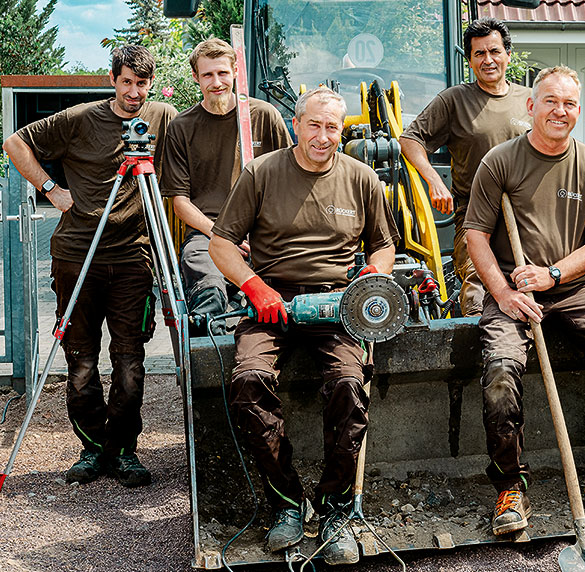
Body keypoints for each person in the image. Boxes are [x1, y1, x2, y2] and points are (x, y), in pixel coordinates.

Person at [208, 86, 398, 565]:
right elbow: (222, 245)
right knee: (248, 382)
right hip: (271, 302)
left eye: (332, 127)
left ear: (342, 130)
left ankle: (335, 509)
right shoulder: (262, 173)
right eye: (314, 124)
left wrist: (375, 273)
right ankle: (288, 503)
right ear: (297, 124)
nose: (323, 135)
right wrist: (256, 289)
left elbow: (383, 247)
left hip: (338, 304)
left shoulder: (362, 179)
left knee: (350, 385)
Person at [464, 66, 585, 536]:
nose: (559, 111)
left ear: (578, 111)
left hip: (575, 288)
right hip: (513, 293)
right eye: (550, 101)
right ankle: (510, 486)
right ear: (531, 106)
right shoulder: (500, 161)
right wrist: (503, 292)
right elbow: (475, 236)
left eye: (569, 103)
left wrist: (553, 274)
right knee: (501, 372)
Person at [2, 46, 177, 487]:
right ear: (112, 80)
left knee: (130, 359)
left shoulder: (163, 116)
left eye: (142, 83)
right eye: (126, 82)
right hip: (77, 254)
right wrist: (49, 188)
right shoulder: (80, 118)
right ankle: (91, 447)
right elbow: (14, 143)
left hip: (133, 257)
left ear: (150, 84)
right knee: (81, 357)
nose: (134, 92)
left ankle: (124, 450)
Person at [400, 17, 530, 317]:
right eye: (479, 54)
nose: (488, 60)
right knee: (477, 290)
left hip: (528, 218)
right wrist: (434, 179)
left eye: (495, 51)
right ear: (469, 61)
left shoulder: (530, 101)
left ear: (508, 55)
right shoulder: (455, 100)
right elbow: (410, 140)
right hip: (476, 218)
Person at [161, 38, 292, 335]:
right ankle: (208, 338)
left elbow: (291, 180)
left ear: (235, 71)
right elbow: (180, 203)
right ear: (196, 77)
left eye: (222, 73)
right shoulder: (181, 127)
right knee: (207, 284)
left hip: (264, 231)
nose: (216, 82)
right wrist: (223, 238)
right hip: (208, 233)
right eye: (207, 75)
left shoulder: (264, 116)